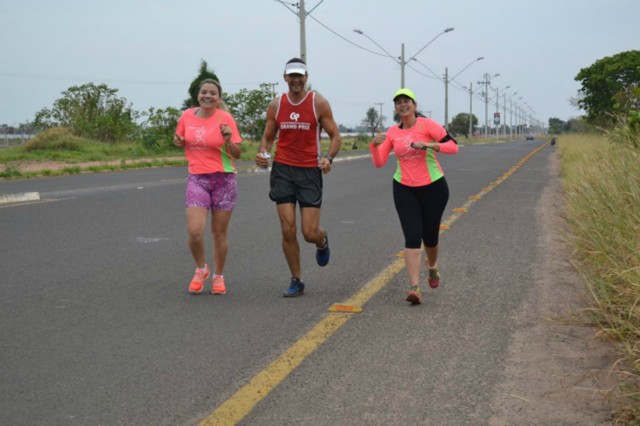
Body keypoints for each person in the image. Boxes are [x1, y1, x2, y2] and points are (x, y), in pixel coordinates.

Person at [255, 58, 342, 297]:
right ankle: (297, 279)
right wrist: (263, 154)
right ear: (285, 77)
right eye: (291, 75)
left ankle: (322, 241)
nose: (295, 80)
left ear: (306, 77)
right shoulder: (276, 105)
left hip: (309, 171)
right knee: (287, 228)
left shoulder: (318, 103)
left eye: (300, 76)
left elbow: (336, 136)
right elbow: (268, 137)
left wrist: (329, 159)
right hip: (283, 169)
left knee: (308, 232)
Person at [370, 88, 458, 305]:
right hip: (404, 188)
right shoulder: (392, 132)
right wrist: (374, 145)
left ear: (414, 105)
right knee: (412, 237)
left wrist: (430, 145)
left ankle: (432, 265)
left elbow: (453, 147)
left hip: (434, 187)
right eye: (398, 102)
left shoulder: (427, 125)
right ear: (396, 108)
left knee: (430, 237)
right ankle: (414, 288)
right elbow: (380, 162)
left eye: (406, 101)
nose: (403, 105)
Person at [174, 79, 242, 295]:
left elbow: (238, 153)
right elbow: (181, 139)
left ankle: (218, 276)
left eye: (213, 93)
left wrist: (228, 139)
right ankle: (201, 269)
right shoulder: (187, 116)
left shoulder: (226, 119)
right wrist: (178, 141)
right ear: (198, 95)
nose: (208, 96)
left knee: (219, 233)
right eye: (204, 92)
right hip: (197, 179)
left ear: (219, 98)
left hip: (224, 179)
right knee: (195, 231)